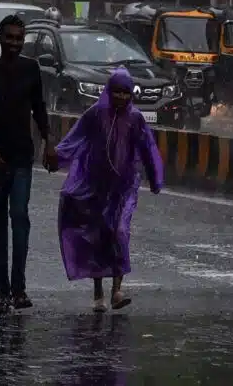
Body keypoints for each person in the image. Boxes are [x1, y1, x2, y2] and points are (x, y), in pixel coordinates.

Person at [54, 68, 163, 312]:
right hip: (96, 185)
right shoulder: (96, 114)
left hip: (124, 187)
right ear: (109, 91)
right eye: (117, 92)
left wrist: (156, 177)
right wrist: (57, 158)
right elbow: (75, 138)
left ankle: (117, 290)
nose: (121, 97)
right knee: (98, 234)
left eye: (126, 93)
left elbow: (148, 148)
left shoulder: (135, 118)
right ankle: (98, 292)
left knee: (120, 231)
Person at [0, 14, 57, 314]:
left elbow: (39, 109)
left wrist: (48, 141)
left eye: (19, 39)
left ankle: (19, 289)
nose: (14, 44)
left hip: (22, 158)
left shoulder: (31, 69)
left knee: (19, 218)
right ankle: (2, 292)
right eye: (9, 38)